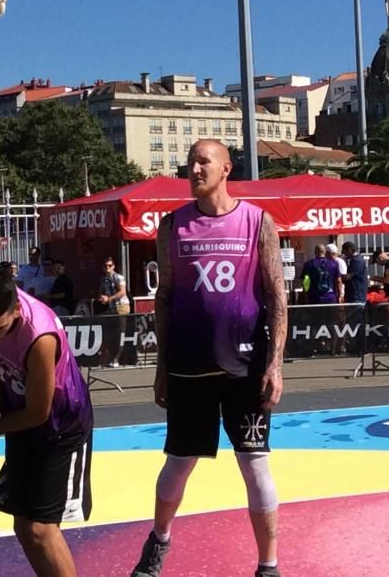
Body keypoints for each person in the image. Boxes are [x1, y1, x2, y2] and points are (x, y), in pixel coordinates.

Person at [130, 140, 287, 577]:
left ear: (225, 169)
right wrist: (161, 367)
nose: (194, 168)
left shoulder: (257, 222)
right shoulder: (173, 226)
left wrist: (275, 364)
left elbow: (276, 296)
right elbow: (164, 297)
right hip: (188, 366)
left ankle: (268, 565)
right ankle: (158, 540)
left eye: (204, 161)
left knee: (256, 464)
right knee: (178, 465)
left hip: (245, 367)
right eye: (191, 162)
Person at [0, 268, 93, 577]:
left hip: (60, 425)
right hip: (19, 416)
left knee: (41, 529)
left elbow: (39, 412)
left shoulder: (40, 336)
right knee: (24, 526)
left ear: (17, 311)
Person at [97, 256, 130, 367]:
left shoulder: (118, 277)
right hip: (110, 308)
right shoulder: (103, 280)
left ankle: (117, 358)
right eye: (105, 266)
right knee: (111, 333)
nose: (108, 268)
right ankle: (110, 357)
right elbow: (101, 293)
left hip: (121, 306)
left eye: (110, 266)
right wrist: (101, 298)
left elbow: (122, 292)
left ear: (114, 266)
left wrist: (109, 299)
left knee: (121, 333)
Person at [340, 242, 368, 354]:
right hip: (356, 295)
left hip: (356, 296)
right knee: (355, 322)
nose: (344, 254)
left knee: (356, 323)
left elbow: (349, 276)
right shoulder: (356, 260)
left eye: (345, 251)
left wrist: (338, 277)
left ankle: (360, 347)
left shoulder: (357, 261)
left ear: (350, 249)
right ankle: (358, 346)